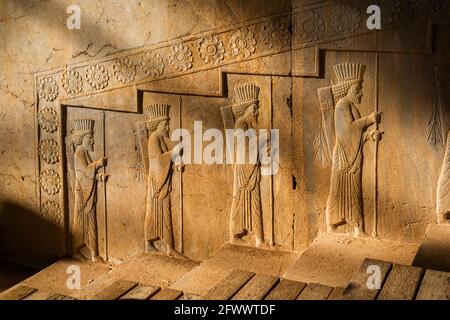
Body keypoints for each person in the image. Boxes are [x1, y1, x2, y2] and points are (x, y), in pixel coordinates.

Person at [326, 63, 382, 237]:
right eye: (357, 89)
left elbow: (356, 135)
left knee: (354, 191)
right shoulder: (342, 105)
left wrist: (369, 135)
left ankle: (357, 227)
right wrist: (369, 120)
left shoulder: (351, 107)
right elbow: (348, 132)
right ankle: (331, 224)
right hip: (344, 159)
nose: (361, 93)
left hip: (352, 158)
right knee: (337, 191)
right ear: (348, 89)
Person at [230, 84, 264, 247]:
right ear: (246, 109)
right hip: (244, 170)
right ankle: (235, 235)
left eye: (257, 109)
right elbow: (244, 148)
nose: (256, 112)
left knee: (255, 202)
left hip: (251, 168)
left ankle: (258, 238)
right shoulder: (240, 124)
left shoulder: (250, 125)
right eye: (254, 109)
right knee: (239, 202)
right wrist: (261, 140)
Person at [71, 119, 106, 262]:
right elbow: (84, 173)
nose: (92, 141)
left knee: (90, 222)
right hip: (83, 195)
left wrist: (98, 176)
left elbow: (86, 173)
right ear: (83, 138)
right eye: (90, 138)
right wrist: (97, 165)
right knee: (81, 223)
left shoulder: (83, 153)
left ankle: (94, 253)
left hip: (88, 193)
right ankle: (77, 250)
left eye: (92, 137)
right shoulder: (79, 153)